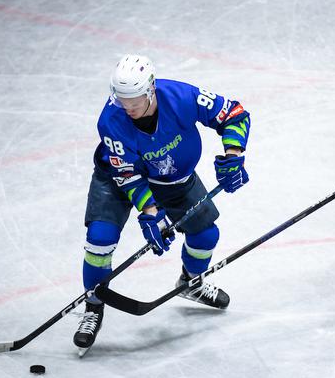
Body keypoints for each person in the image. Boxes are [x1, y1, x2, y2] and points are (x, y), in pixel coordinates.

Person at [74, 54, 251, 349]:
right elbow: (127, 174)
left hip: (172, 177)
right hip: (117, 178)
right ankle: (93, 304)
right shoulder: (111, 120)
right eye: (122, 101)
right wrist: (151, 212)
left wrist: (233, 155)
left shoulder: (182, 96)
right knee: (99, 238)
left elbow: (233, 114)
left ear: (151, 88)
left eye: (134, 101)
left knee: (206, 234)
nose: (128, 108)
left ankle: (190, 282)